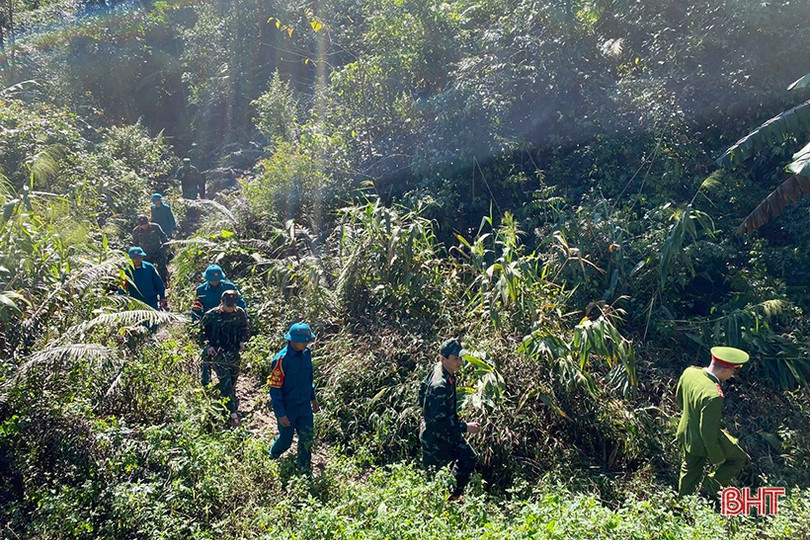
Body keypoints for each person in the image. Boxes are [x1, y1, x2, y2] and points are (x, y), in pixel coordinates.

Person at [676, 346, 750, 499]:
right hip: (702, 439)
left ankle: (682, 505)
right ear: (724, 370)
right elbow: (708, 432)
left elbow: (679, 398)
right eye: (732, 372)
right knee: (737, 458)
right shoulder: (714, 395)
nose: (731, 376)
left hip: (686, 431)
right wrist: (717, 457)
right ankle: (707, 490)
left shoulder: (689, 372)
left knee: (689, 471)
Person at [419, 338, 480, 501]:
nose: (459, 362)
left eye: (460, 358)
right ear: (443, 359)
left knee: (468, 458)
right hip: (436, 437)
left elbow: (421, 392)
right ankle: (443, 503)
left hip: (446, 432)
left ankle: (453, 496)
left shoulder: (445, 372)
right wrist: (465, 427)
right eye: (455, 359)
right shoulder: (440, 384)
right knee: (435, 479)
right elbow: (439, 422)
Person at [267, 322, 319, 473]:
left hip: (303, 405)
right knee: (286, 440)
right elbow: (275, 390)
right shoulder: (281, 360)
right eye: (305, 341)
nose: (307, 343)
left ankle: (304, 468)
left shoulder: (306, 353)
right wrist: (281, 414)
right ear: (293, 341)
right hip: (288, 407)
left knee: (307, 436)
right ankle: (272, 455)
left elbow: (308, 378)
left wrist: (313, 398)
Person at [200, 290, 249, 427]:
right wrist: (208, 346)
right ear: (221, 303)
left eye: (233, 305)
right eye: (228, 306)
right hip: (217, 352)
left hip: (233, 351)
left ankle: (226, 397)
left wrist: (242, 341)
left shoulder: (239, 312)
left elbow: (244, 328)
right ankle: (233, 414)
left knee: (233, 378)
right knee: (225, 380)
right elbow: (201, 333)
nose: (231, 308)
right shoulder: (211, 315)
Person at [132, 214, 170, 285]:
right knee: (148, 269)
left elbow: (163, 236)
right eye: (142, 225)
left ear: (148, 221)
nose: (144, 226)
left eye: (145, 224)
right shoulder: (136, 231)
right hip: (146, 254)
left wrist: (167, 247)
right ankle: (152, 283)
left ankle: (164, 282)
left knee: (162, 266)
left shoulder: (155, 227)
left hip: (158, 250)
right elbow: (135, 243)